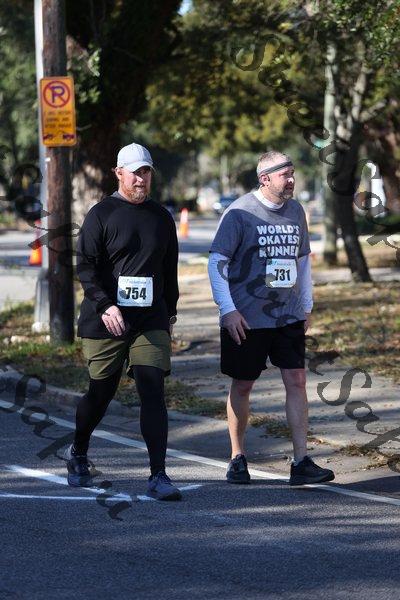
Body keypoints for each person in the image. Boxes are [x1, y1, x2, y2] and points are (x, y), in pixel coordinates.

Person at [208, 150, 334, 486]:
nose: (291, 180)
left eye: (292, 173)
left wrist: (306, 306)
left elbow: (302, 261)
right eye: (284, 175)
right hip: (246, 318)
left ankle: (301, 461)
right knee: (243, 384)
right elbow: (217, 262)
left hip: (287, 315)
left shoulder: (296, 211)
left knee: (297, 381)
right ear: (265, 179)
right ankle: (237, 457)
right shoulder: (239, 213)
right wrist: (227, 309)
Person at [66, 142, 181, 501]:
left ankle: (158, 475)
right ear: (119, 173)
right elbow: (85, 268)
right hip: (106, 318)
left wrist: (170, 313)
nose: (141, 178)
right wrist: (105, 306)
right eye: (135, 172)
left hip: (150, 318)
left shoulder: (161, 217)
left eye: (146, 171)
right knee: (101, 392)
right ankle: (78, 451)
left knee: (152, 386)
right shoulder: (101, 215)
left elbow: (170, 270)